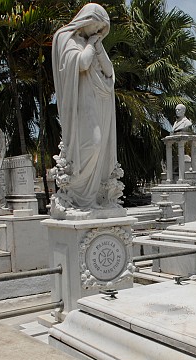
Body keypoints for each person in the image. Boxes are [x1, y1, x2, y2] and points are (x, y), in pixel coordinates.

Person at [52, 3, 118, 213]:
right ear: (86, 20)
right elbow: (81, 63)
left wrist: (97, 45)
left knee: (102, 148)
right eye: (96, 27)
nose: (98, 32)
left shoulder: (93, 41)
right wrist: (91, 45)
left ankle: (93, 197)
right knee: (93, 143)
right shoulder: (66, 37)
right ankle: (79, 195)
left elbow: (109, 71)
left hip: (100, 100)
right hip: (81, 102)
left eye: (101, 30)